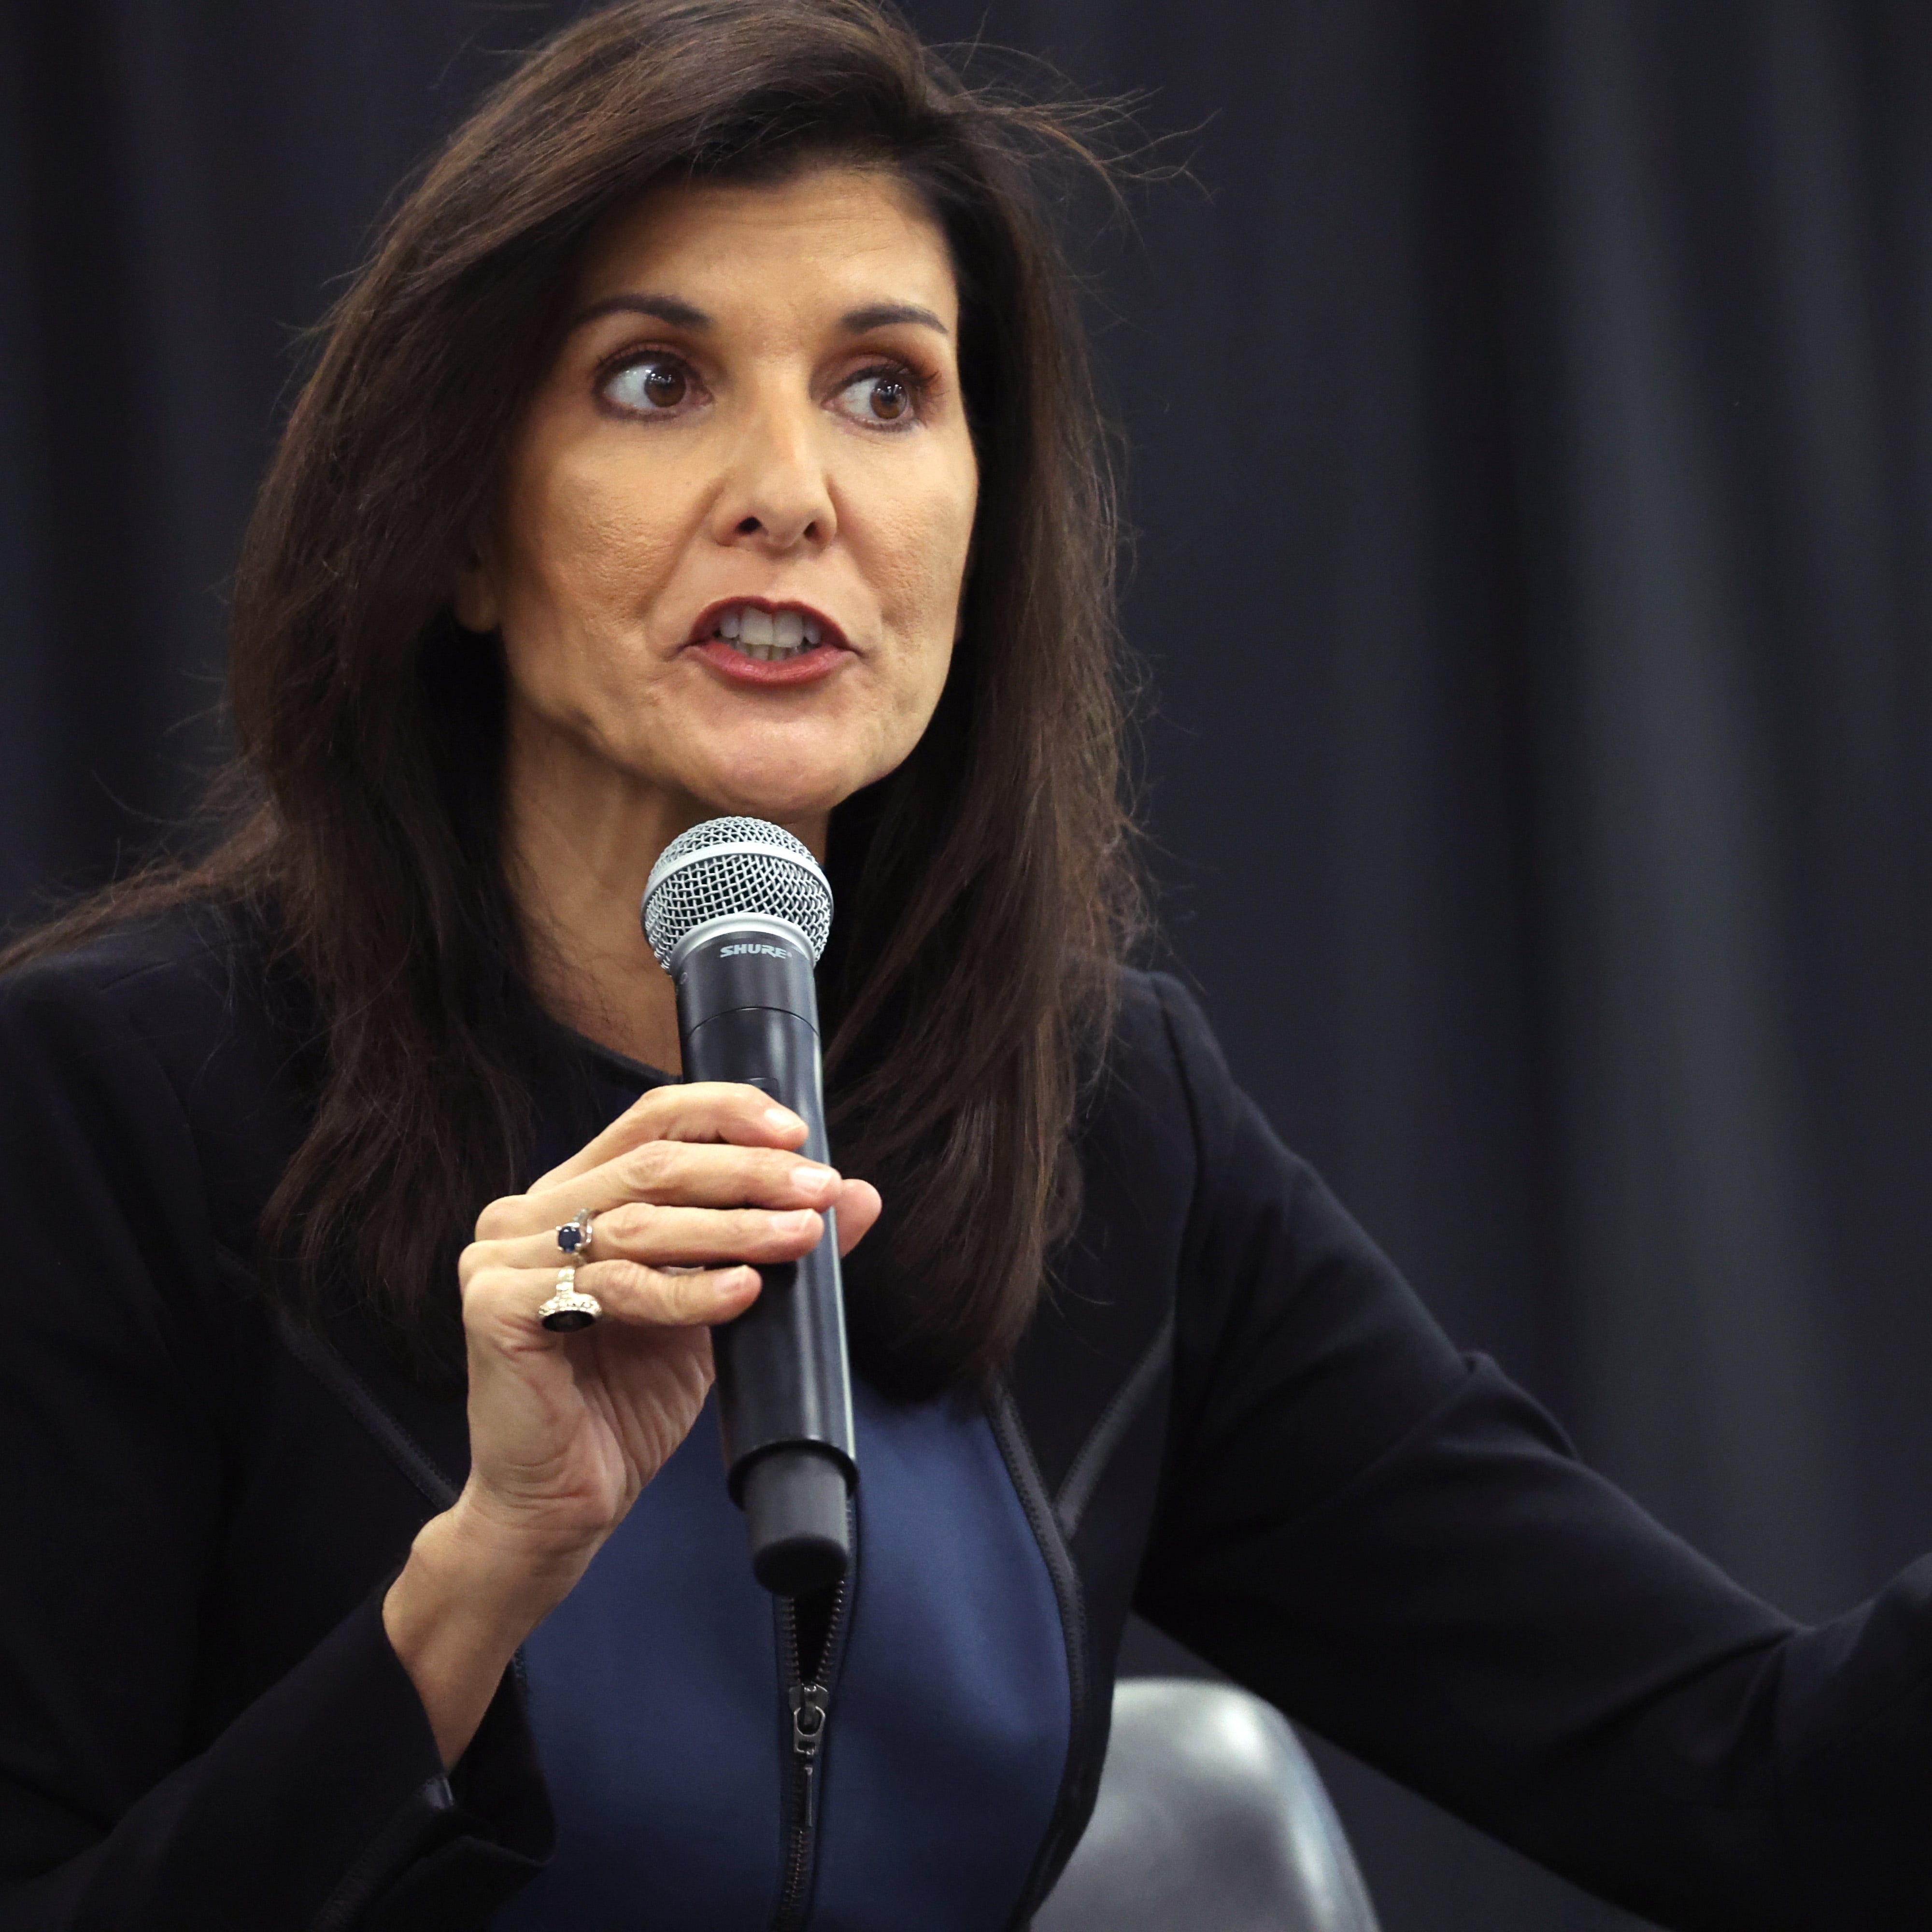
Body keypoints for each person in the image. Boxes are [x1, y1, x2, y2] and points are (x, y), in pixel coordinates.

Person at [0, 3, 1926, 1928]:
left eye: (885, 390)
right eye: (657, 380)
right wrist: (483, 1572)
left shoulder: (1106, 1128)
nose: (793, 490)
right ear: (460, 531)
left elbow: (1761, 1782)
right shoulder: (120, 1102)